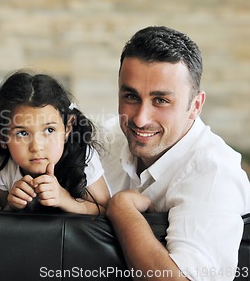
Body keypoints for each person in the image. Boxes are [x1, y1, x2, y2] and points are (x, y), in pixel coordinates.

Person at [103, 26, 250, 281]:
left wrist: (121, 209)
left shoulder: (214, 172)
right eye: (131, 96)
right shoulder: (105, 140)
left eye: (161, 100)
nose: (140, 118)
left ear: (195, 106)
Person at [0, 71, 110, 214]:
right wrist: (12, 206)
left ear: (67, 128)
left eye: (49, 130)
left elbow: (106, 211)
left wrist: (64, 199)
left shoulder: (83, 159)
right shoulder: (3, 165)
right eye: (22, 133)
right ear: (3, 137)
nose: (36, 147)